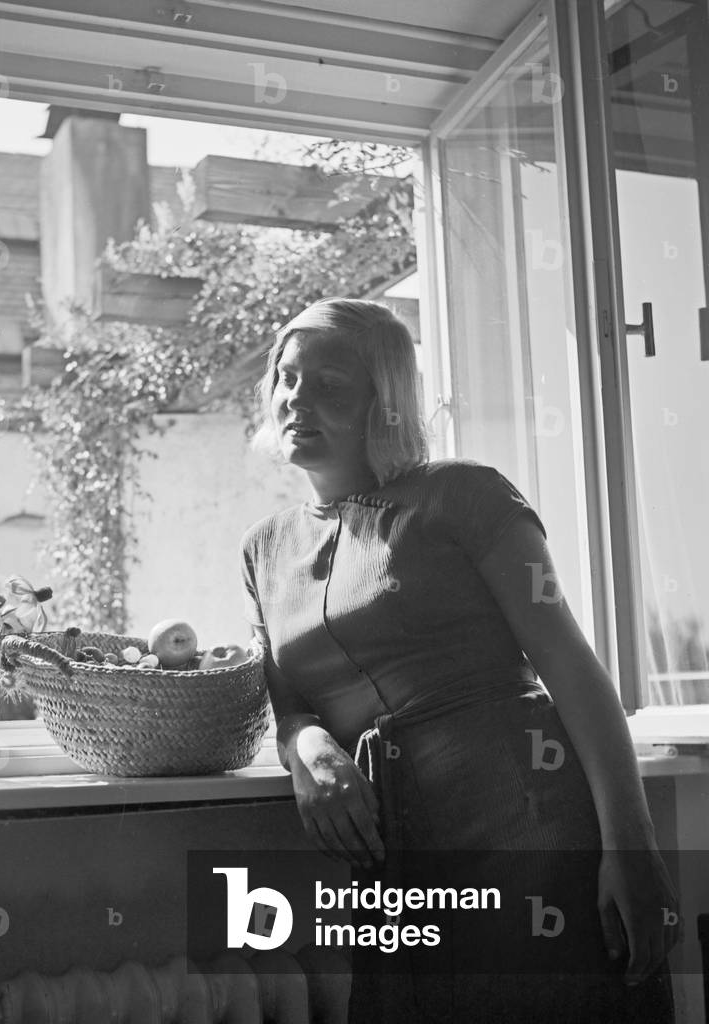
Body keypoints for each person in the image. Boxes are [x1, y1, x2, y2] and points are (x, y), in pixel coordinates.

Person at [240, 298, 678, 1022]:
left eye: (330, 385)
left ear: (386, 402)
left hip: (530, 827)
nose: (297, 401)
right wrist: (309, 748)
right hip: (402, 864)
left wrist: (632, 848)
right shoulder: (264, 548)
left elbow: (570, 666)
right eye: (287, 380)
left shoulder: (463, 495)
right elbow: (286, 702)